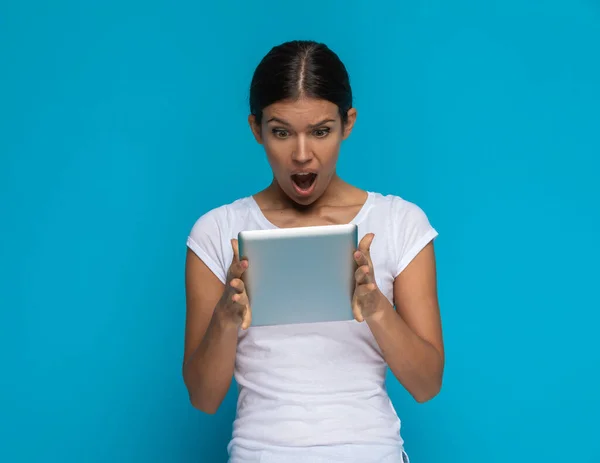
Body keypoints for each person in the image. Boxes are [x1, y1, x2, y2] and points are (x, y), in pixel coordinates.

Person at [182, 40, 444, 463]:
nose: (302, 155)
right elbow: (203, 397)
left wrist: (376, 306)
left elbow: (427, 383)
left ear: (347, 123)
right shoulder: (218, 231)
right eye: (281, 132)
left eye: (320, 131)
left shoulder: (399, 222)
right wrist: (226, 317)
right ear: (256, 129)